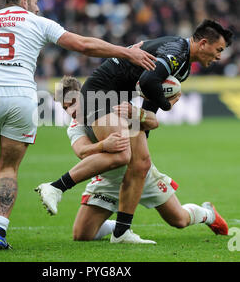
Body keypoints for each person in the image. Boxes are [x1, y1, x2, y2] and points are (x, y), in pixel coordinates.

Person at [0, 0, 157, 250]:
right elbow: (84, 45)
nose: (38, 7)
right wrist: (127, 52)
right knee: (8, 168)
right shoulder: (38, 22)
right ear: (24, 2)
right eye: (36, 2)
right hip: (23, 97)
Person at [36, 19, 233, 243]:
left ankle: (122, 230)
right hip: (102, 94)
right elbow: (148, 81)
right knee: (124, 155)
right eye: (218, 50)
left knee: (170, 209)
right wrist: (167, 104)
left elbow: (150, 116)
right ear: (204, 43)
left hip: (115, 107)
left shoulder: (182, 66)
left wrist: (140, 118)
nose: (219, 57)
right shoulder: (176, 52)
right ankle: (57, 189)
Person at [61, 87, 228, 242]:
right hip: (109, 180)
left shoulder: (113, 106)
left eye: (73, 103)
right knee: (81, 235)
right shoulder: (75, 126)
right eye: (65, 107)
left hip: (140, 174)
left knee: (179, 220)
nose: (71, 111)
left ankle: (208, 214)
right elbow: (82, 151)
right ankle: (118, 226)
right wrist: (103, 145)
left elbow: (152, 123)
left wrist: (138, 113)